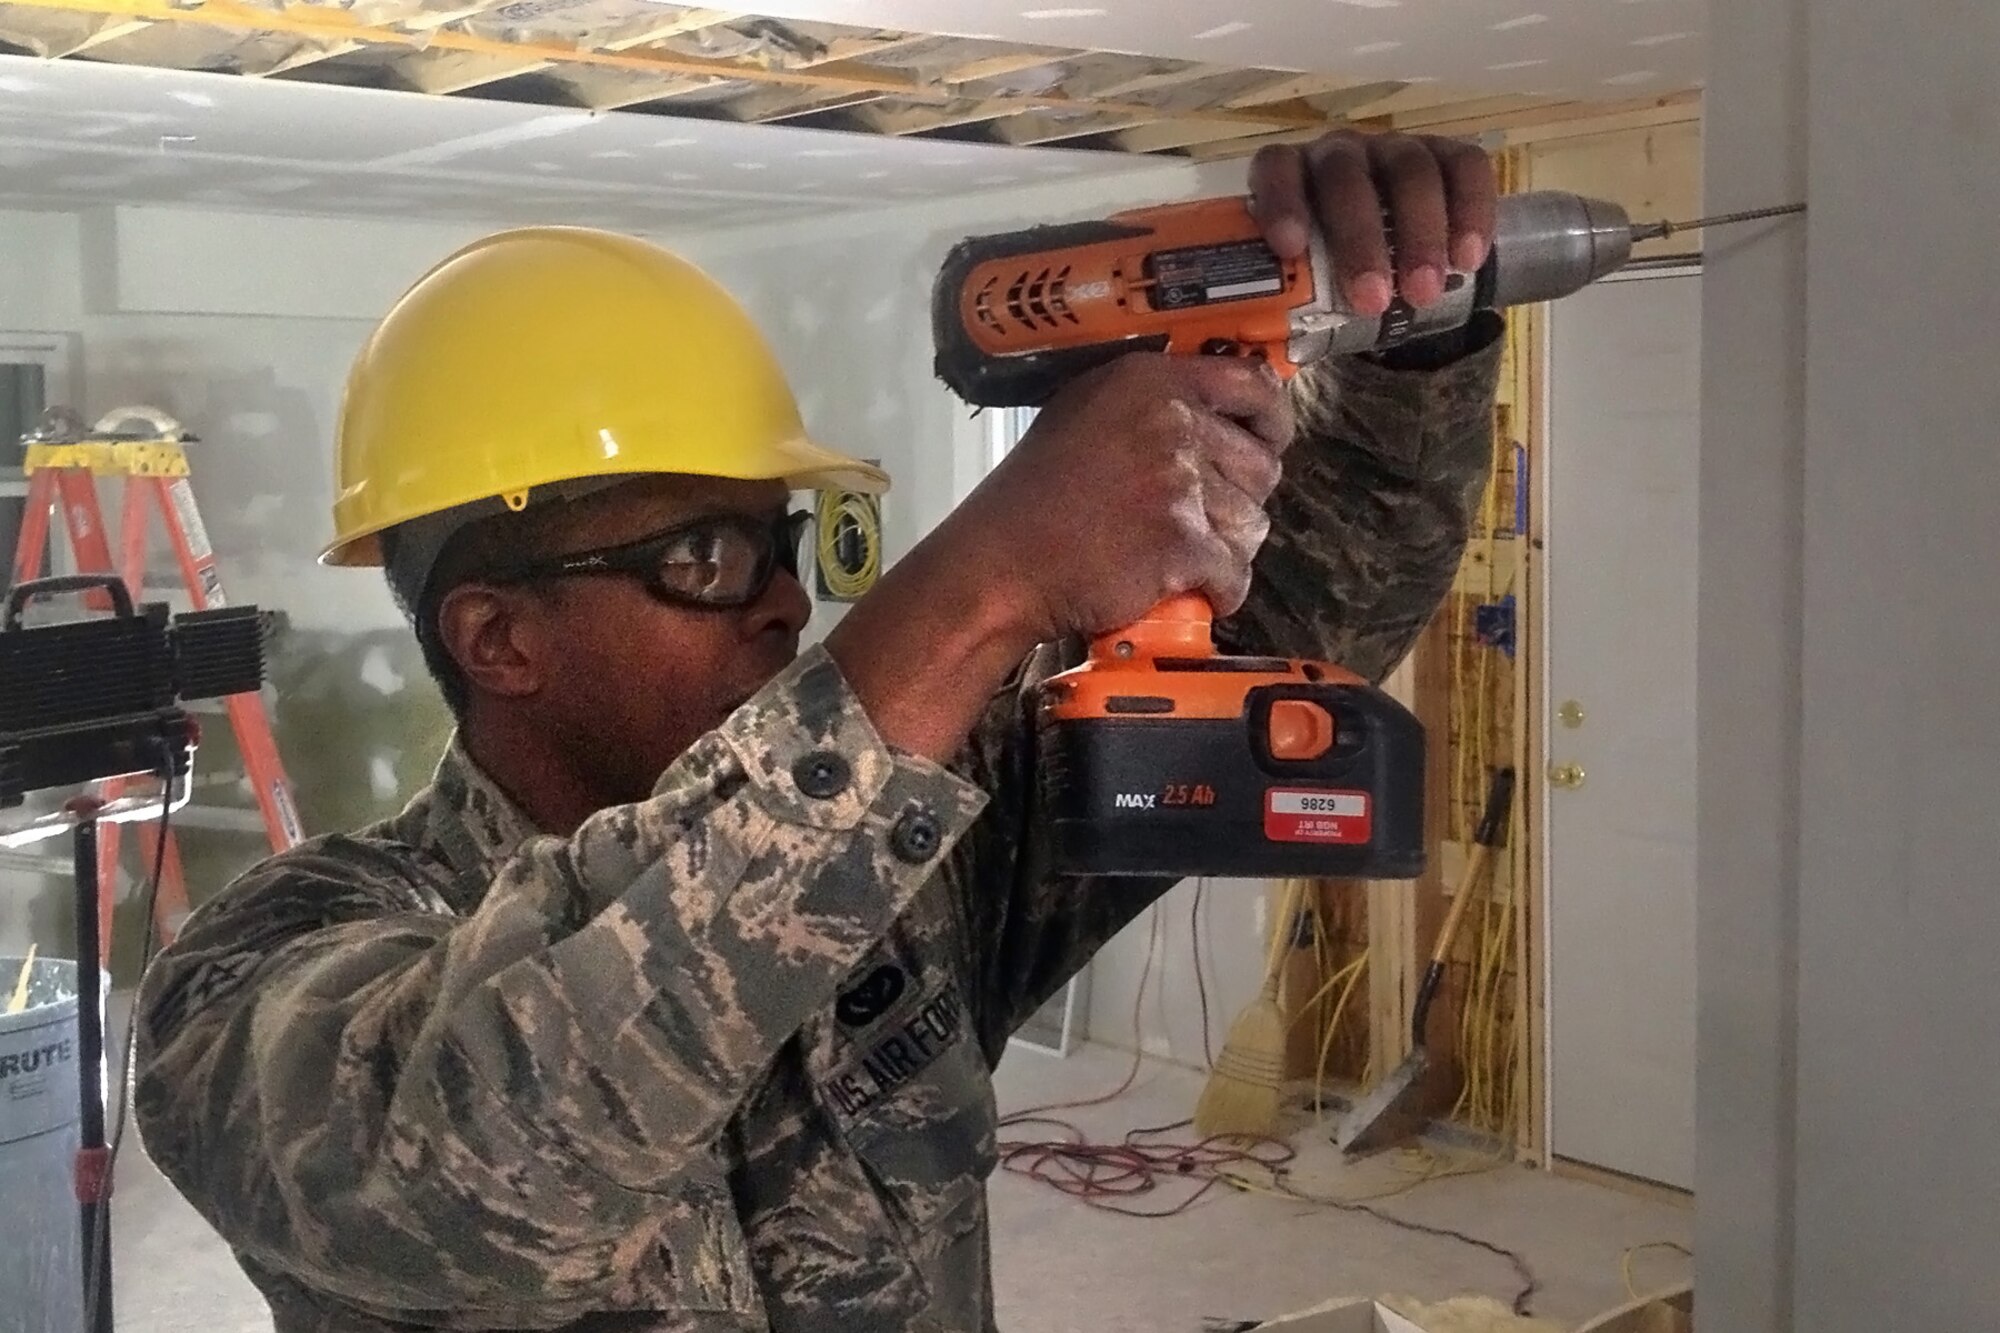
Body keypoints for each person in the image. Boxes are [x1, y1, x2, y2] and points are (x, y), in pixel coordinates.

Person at [134, 128, 1505, 1332]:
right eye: (707, 555)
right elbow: (489, 1152)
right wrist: (982, 581)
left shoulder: (899, 865)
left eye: (788, 540)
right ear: (501, 638)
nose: (790, 598)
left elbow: (1313, 605)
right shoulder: (265, 969)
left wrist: (1411, 320)